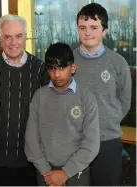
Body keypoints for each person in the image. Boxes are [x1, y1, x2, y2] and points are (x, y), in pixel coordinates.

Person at [0, 14, 49, 186]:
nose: (13, 42)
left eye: (18, 36)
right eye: (7, 37)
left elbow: (48, 114)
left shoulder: (40, 69)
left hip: (31, 159)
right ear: (0, 40)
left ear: (25, 38)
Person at [25, 42, 100, 186]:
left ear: (73, 68)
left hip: (77, 172)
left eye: (62, 68)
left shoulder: (86, 98)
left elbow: (91, 144)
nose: (56, 74)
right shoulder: (39, 97)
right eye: (52, 69)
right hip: (45, 173)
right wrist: (46, 171)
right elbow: (31, 139)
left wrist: (66, 173)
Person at [73, 3, 132, 186]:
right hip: (74, 142)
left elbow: (125, 100)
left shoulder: (118, 62)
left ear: (104, 31)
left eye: (94, 27)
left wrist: (108, 120)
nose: (87, 32)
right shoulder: (68, 61)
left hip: (107, 141)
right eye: (82, 28)